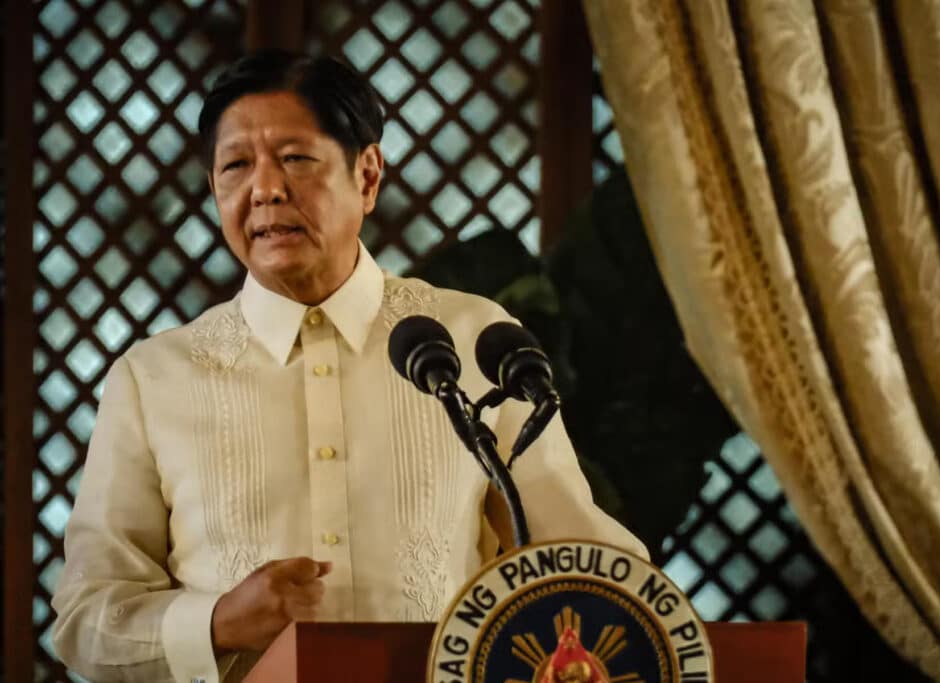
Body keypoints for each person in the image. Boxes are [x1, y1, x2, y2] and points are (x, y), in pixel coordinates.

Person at [51, 50, 647, 683]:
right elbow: (87, 619)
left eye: (295, 159)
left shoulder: (471, 340)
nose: (265, 188)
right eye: (235, 166)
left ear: (367, 175)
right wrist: (219, 621)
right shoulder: (153, 379)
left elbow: (581, 562)